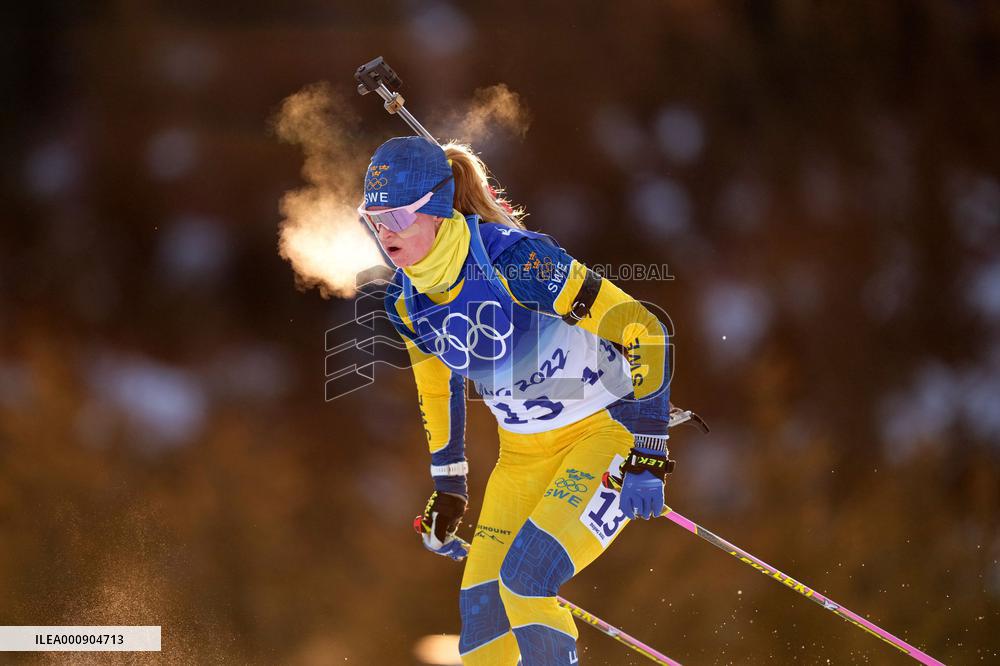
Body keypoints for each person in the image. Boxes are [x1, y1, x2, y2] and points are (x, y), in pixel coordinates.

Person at [360, 136, 675, 665]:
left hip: (604, 434)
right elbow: (437, 388)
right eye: (372, 219)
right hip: (522, 456)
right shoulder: (406, 300)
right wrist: (449, 486)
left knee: (526, 582)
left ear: (437, 210)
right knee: (482, 627)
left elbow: (642, 328)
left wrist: (650, 448)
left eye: (395, 216)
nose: (383, 232)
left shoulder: (516, 260)